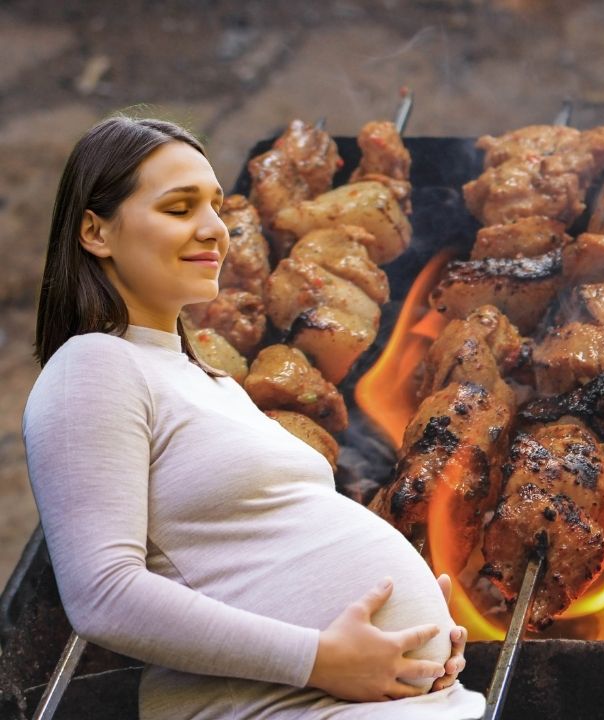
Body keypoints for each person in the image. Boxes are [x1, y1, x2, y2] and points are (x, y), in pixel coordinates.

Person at [20, 115, 485, 719]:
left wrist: (417, 650)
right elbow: (102, 594)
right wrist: (319, 659)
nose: (214, 228)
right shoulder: (93, 364)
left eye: (215, 206)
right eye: (179, 207)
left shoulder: (207, 381)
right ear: (96, 232)